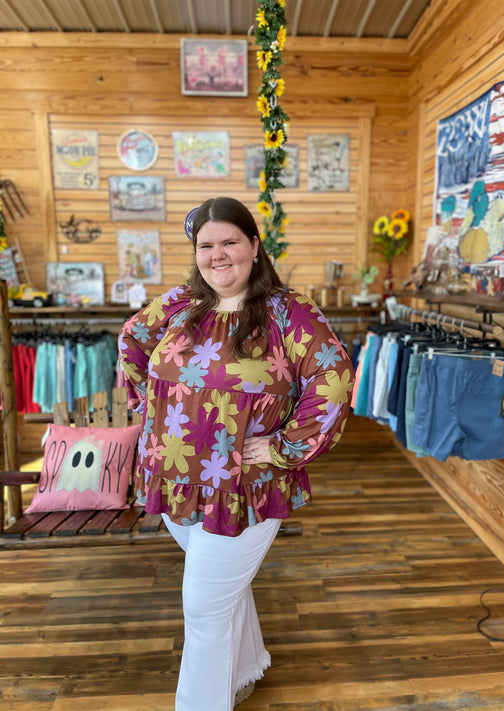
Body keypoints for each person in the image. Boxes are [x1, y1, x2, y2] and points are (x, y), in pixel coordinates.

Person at [118, 196, 355, 710]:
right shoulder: (183, 302)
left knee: (203, 607)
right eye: (206, 245)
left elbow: (333, 382)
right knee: (222, 590)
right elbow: (133, 339)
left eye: (230, 242)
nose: (218, 255)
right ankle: (245, 671)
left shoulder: (288, 312)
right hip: (176, 478)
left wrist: (281, 446)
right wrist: (151, 410)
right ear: (196, 252)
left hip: (245, 486)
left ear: (253, 245)